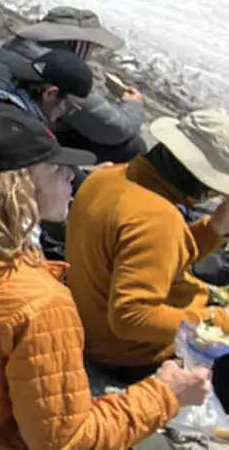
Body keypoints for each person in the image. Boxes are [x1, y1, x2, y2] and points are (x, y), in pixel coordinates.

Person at [0, 100, 207, 448]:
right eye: (55, 168)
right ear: (17, 189)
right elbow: (67, 443)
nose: (71, 175)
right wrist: (166, 393)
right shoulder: (40, 304)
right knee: (158, 445)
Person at [65, 108, 229, 385]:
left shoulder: (108, 177)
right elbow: (131, 317)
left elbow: (149, 253)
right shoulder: (157, 219)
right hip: (129, 356)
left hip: (92, 327)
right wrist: (217, 321)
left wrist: (214, 228)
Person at [0, 8, 145, 163]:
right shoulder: (60, 69)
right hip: (8, 141)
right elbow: (115, 129)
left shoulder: (20, 46)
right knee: (130, 146)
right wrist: (132, 105)